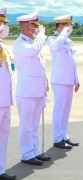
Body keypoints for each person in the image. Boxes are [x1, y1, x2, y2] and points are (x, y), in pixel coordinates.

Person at [13, 12, 51, 165]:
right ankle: (27, 154)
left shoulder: (31, 43)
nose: (37, 28)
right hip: (27, 92)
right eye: (35, 25)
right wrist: (42, 36)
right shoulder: (20, 43)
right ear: (27, 27)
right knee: (27, 125)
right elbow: (33, 50)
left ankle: (34, 151)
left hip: (36, 91)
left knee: (34, 125)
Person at [48, 15, 80, 149]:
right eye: (68, 26)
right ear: (60, 26)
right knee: (59, 110)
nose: (70, 29)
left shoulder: (67, 41)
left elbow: (73, 62)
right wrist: (63, 34)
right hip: (60, 80)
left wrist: (76, 79)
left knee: (66, 110)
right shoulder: (53, 39)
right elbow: (55, 47)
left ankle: (64, 136)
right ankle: (57, 139)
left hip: (68, 80)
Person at [0, 7, 17, 180]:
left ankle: (0, 169)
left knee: (3, 136)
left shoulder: (3, 46)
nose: (4, 27)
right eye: (2, 23)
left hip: (5, 99)